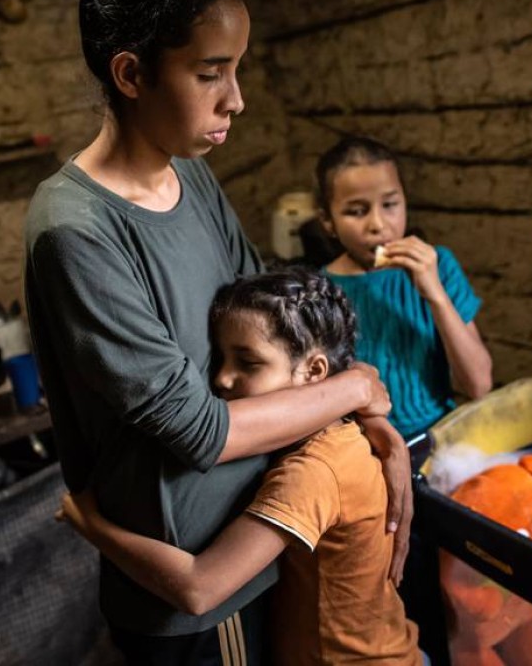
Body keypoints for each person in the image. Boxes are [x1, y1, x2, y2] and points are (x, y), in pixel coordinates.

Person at [21, 0, 410, 665]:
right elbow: (200, 430)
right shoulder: (76, 231)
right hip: (195, 586)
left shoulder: (187, 174)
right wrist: (359, 386)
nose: (235, 100)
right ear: (132, 75)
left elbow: (273, 319)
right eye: (210, 73)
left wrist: (368, 425)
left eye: (236, 70)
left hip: (251, 537)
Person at [59, 269, 425, 665]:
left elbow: (200, 588)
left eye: (247, 363)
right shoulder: (341, 430)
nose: (221, 378)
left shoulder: (315, 470)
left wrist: (92, 524)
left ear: (315, 372)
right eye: (220, 358)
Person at [317, 136, 493, 440]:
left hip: (437, 438)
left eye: (389, 205)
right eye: (357, 211)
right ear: (328, 221)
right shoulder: (319, 292)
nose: (378, 224)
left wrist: (434, 293)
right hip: (359, 450)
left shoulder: (439, 267)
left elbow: (478, 384)